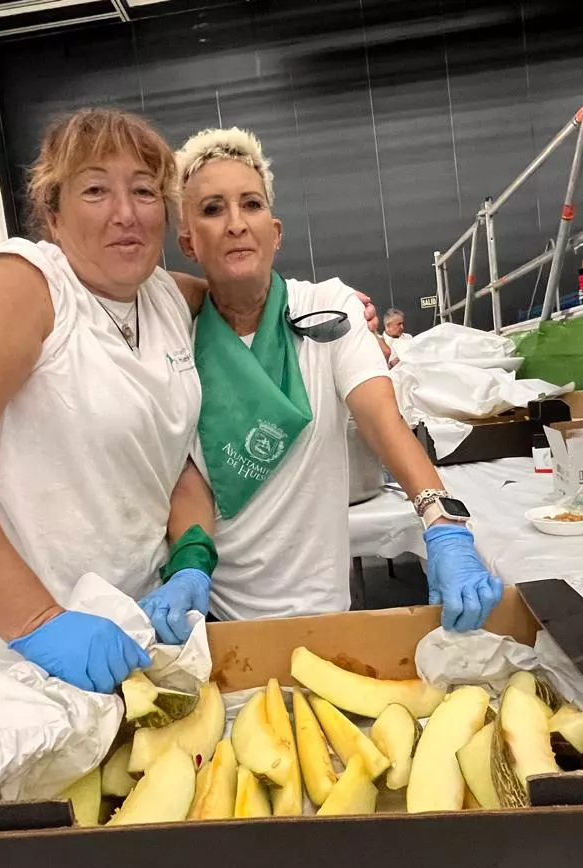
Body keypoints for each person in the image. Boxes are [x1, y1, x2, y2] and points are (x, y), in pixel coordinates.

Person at [0, 108, 218, 691]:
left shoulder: (168, 299)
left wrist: (190, 561)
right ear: (54, 213)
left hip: (134, 625)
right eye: (95, 190)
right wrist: (39, 622)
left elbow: (171, 455)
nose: (125, 213)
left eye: (144, 191)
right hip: (18, 644)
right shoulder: (27, 285)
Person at [172, 127, 502, 630]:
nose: (236, 224)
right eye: (213, 209)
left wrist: (443, 522)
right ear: (188, 242)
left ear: (275, 232)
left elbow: (381, 421)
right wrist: (187, 569)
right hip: (211, 614)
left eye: (251, 204)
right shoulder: (177, 335)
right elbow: (188, 472)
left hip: (324, 608)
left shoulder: (327, 308)